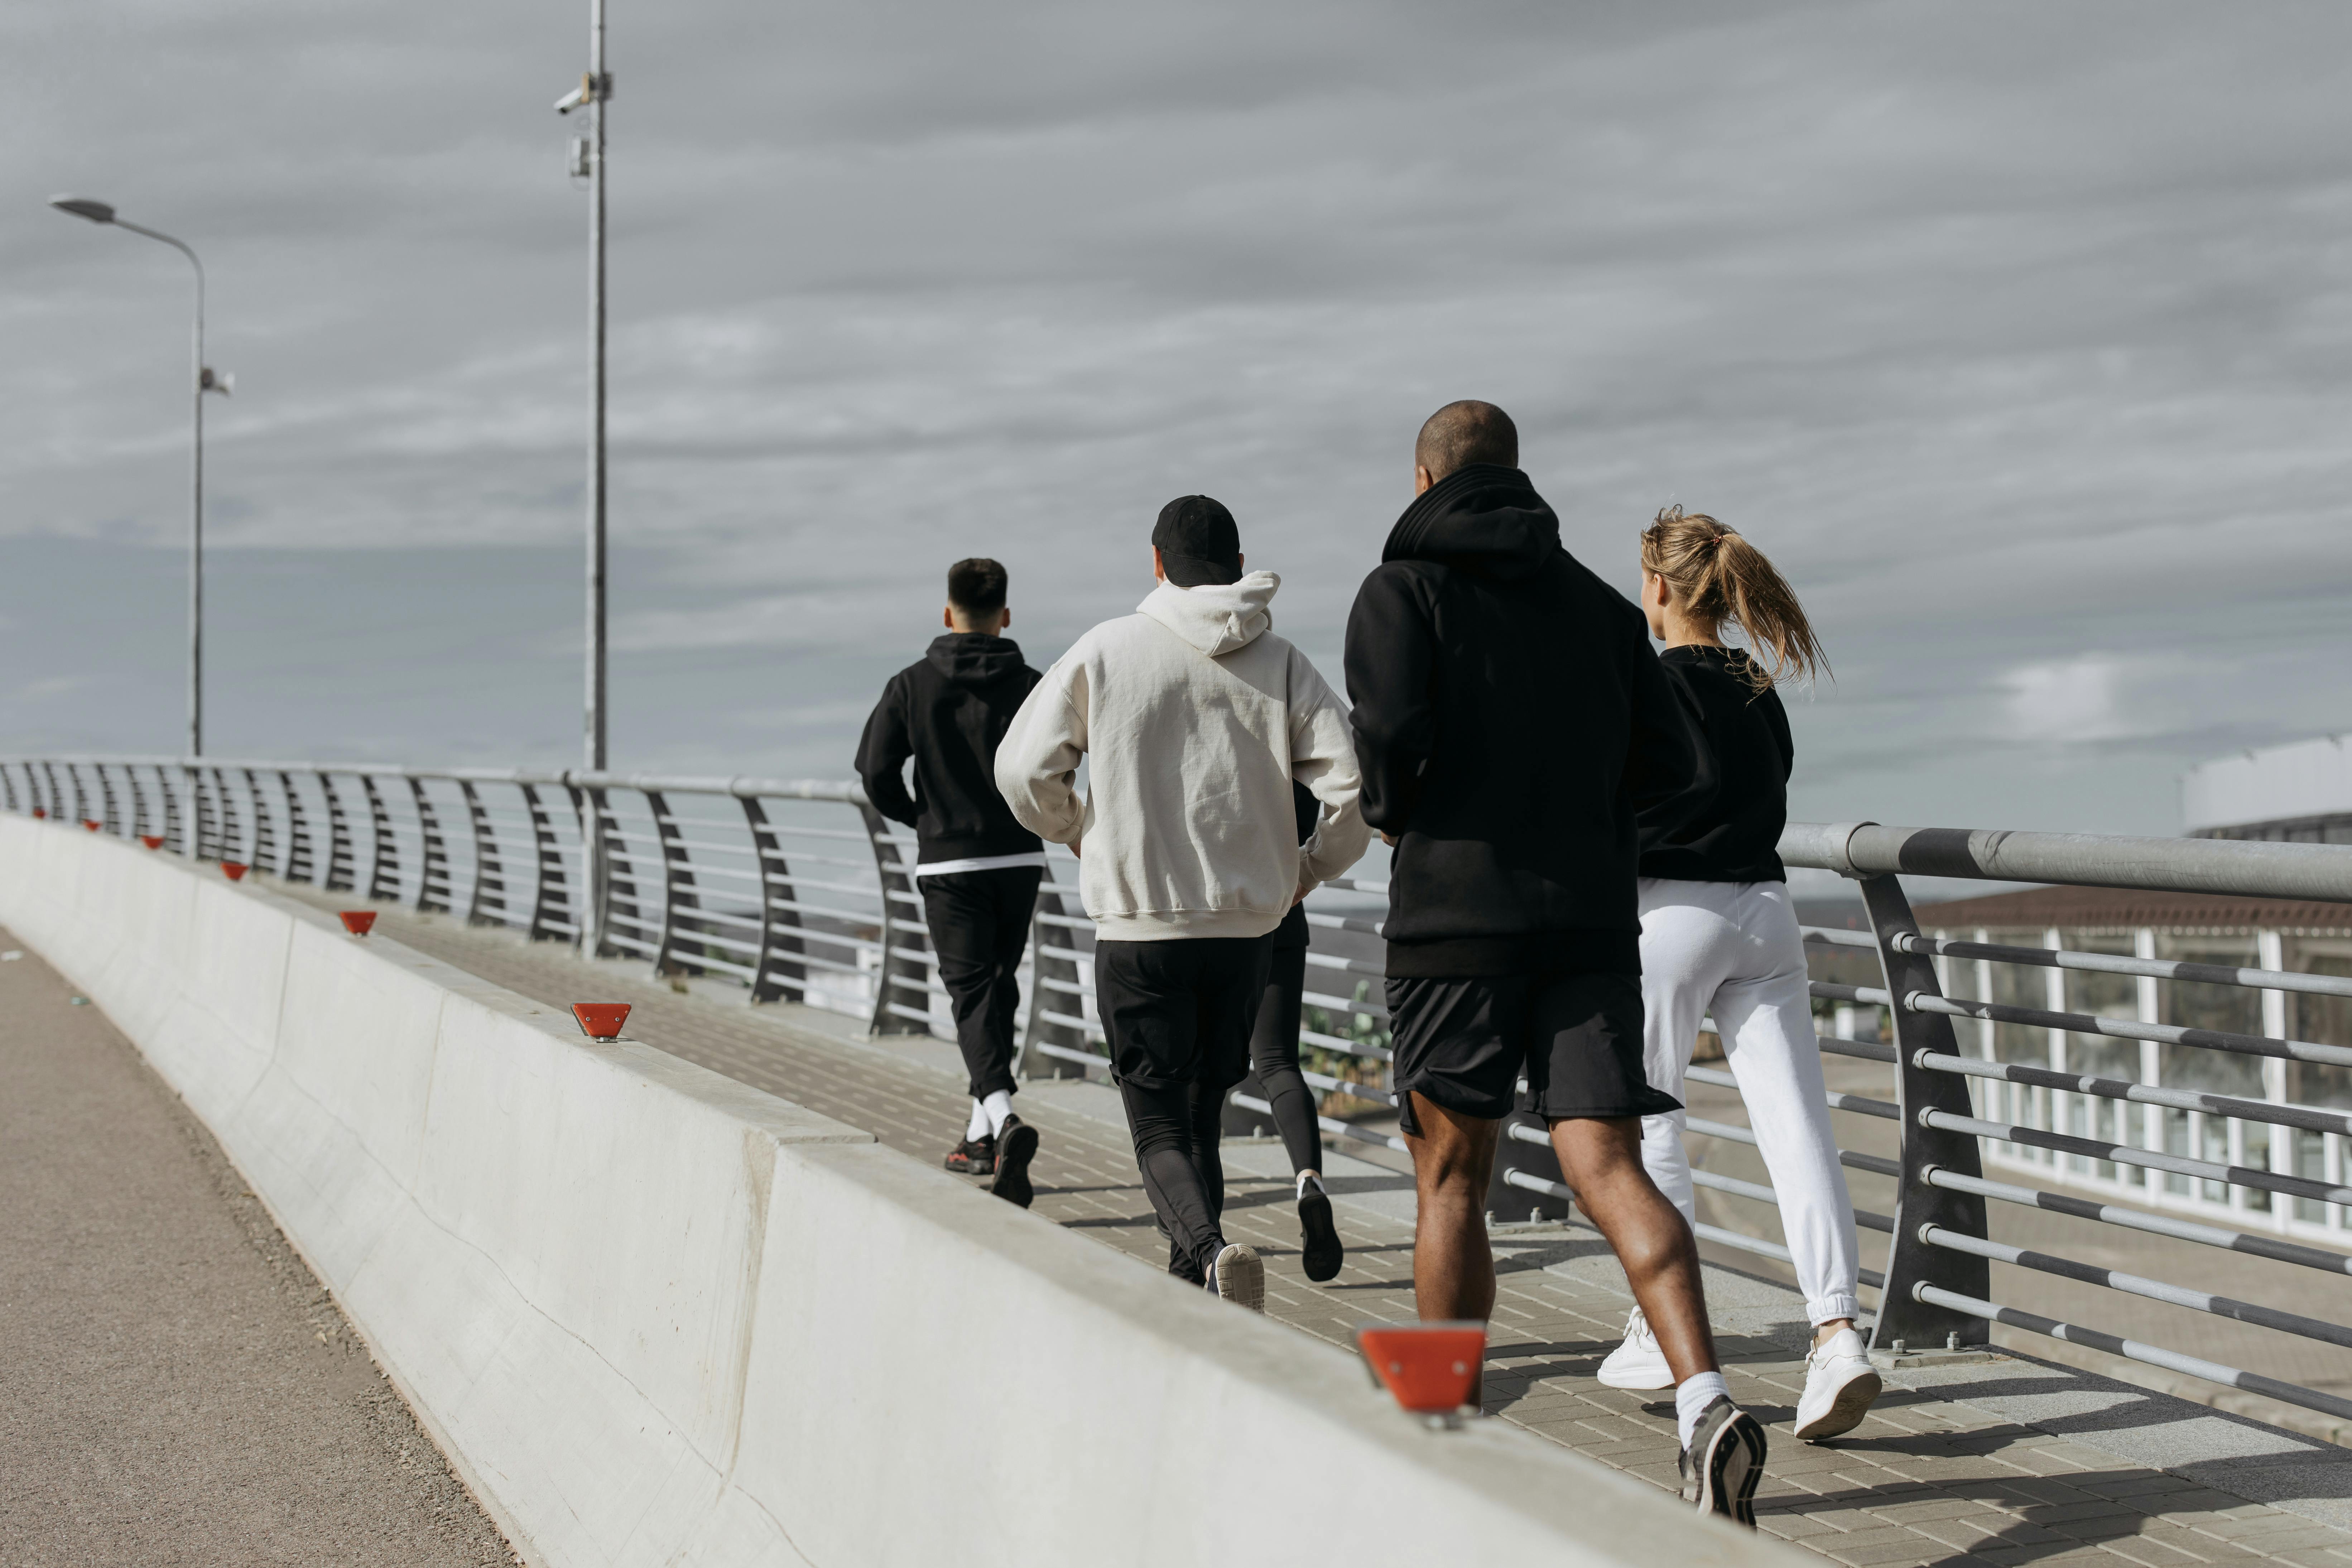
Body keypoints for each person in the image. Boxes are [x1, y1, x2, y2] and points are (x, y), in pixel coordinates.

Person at [1344, 401, 1768, 1524]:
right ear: (1516, 477)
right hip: (1587, 927)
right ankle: (1707, 1402)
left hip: (1452, 926)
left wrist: (1400, 814)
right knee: (1611, 1164)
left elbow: (1384, 742)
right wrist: (1595, 829)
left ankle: (1441, 1433)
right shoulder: (1593, 603)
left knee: (1451, 1179)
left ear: (1426, 474)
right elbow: (1674, 762)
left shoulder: (1402, 592)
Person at [996, 496, 1369, 1310]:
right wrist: (1307, 870)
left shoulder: (1106, 650)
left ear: (1157, 563)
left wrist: (1075, 830)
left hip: (1140, 926)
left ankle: (1206, 1248)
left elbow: (1022, 769)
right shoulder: (1280, 662)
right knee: (1203, 1110)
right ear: (1237, 564)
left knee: (1157, 1122)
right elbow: (1354, 788)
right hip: (1246, 934)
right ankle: (1192, 1285)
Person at [1596, 506, 1881, 1443]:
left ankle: (1656, 1328)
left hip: (1667, 914)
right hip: (1766, 914)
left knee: (1654, 1122)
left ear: (1662, 588)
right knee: (1798, 1124)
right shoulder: (1758, 684)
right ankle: (1837, 1334)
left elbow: (1612, 803)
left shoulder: (1645, 681)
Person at [855, 557, 1049, 1207]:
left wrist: (921, 817)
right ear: (1006, 615)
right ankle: (981, 1139)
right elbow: (1068, 757)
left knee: (969, 993)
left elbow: (876, 770)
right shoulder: (1032, 684)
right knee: (997, 988)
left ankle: (1003, 1113)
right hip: (1020, 858)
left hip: (949, 862)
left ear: (947, 612)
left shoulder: (911, 684)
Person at [1239, 781, 1345, 1282]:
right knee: (1279, 1063)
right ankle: (1309, 1181)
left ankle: (1190, 1215)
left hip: (1216, 917)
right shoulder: (1291, 731)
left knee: (1196, 1066)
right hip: (1283, 905)